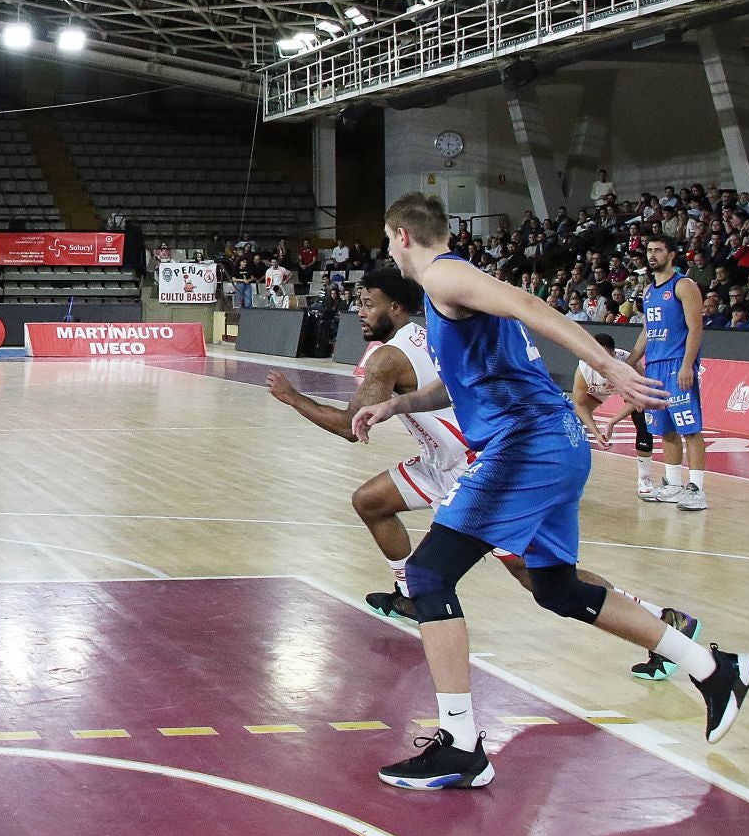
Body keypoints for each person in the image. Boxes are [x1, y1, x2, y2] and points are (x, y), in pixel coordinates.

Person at [352, 193, 749, 791]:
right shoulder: (450, 292)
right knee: (557, 588)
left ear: (403, 236)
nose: (389, 253)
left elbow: (533, 305)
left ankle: (461, 746)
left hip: (527, 444)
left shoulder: (444, 274)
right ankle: (712, 668)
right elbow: (468, 383)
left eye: (388, 241)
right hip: (554, 442)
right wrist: (402, 403)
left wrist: (609, 367)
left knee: (430, 576)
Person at [267, 274, 694, 677]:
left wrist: (291, 398)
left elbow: (348, 425)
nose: (359, 311)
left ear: (395, 308)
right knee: (370, 501)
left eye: (367, 304)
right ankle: (410, 596)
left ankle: (662, 620)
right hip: (441, 459)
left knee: (540, 578)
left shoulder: (388, 356)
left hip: (477, 466)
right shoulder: (423, 334)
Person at [626, 233, 708, 511]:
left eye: (658, 250)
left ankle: (697, 489)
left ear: (671, 254)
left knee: (690, 428)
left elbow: (695, 328)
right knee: (665, 428)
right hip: (655, 367)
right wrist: (630, 362)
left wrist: (687, 365)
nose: (652, 255)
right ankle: (673, 483)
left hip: (677, 364)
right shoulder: (648, 292)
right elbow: (648, 332)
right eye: (649, 250)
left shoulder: (683, 285)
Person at [571, 331, 655, 499]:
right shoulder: (584, 369)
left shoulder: (629, 363)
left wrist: (612, 422)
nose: (601, 363)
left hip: (626, 391)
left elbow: (638, 400)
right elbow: (580, 404)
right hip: (598, 391)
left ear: (615, 355)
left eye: (607, 358)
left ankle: (644, 479)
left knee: (643, 417)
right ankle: (568, 475)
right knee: (570, 424)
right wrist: (595, 433)